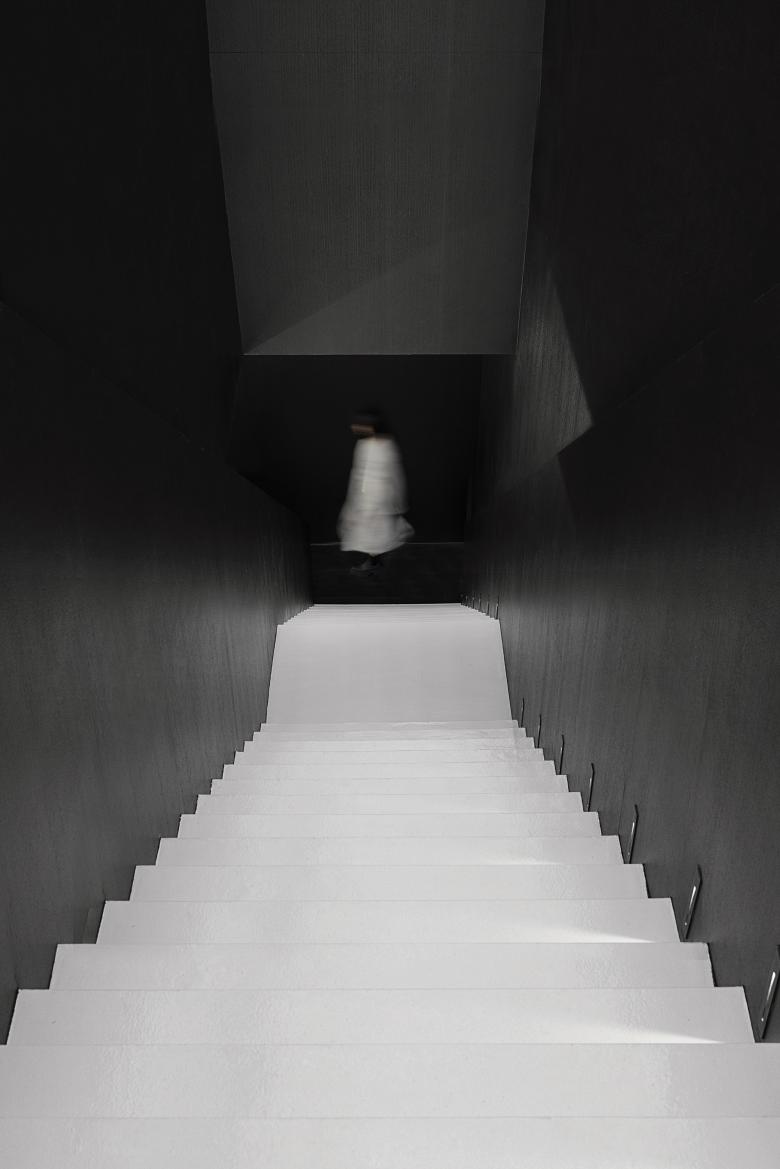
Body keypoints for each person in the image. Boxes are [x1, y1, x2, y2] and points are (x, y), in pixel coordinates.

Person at [338, 409, 413, 575]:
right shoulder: (364, 445)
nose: (354, 428)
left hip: (379, 497)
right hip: (366, 496)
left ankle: (374, 562)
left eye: (358, 425)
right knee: (369, 532)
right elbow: (358, 473)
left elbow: (394, 474)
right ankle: (375, 560)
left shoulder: (385, 445)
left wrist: (396, 502)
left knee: (375, 533)